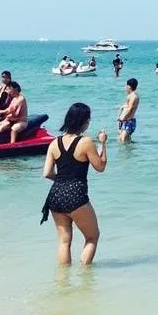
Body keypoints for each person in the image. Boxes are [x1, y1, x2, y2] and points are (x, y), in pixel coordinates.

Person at [40, 101, 107, 265]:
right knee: (92, 237)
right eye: (88, 119)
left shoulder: (54, 142)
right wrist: (103, 144)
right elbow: (100, 167)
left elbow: (47, 173)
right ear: (83, 121)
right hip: (76, 196)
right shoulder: (86, 142)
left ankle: (64, 282)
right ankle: (85, 279)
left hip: (55, 195)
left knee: (64, 241)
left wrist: (63, 181)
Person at [117, 78, 139, 142]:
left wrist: (123, 119)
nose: (125, 87)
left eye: (126, 86)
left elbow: (130, 109)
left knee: (124, 139)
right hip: (125, 120)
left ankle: (128, 151)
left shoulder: (133, 96)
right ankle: (128, 151)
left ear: (129, 86)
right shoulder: (131, 95)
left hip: (128, 120)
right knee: (122, 139)